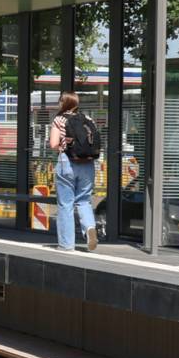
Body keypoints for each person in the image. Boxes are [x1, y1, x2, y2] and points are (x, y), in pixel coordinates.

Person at [48, 92, 99, 252]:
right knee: (84, 200)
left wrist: (64, 146)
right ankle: (89, 227)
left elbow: (53, 144)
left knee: (66, 204)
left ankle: (66, 244)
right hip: (88, 164)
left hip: (67, 162)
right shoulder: (88, 119)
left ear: (63, 103)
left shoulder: (59, 119)